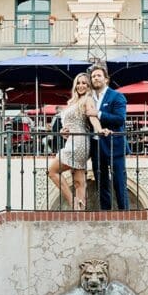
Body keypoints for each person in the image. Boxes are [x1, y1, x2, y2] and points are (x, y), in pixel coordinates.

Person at [47, 73, 106, 210]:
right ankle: (80, 211)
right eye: (78, 83)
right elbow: (70, 123)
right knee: (79, 182)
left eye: (84, 83)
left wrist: (99, 130)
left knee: (52, 171)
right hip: (71, 140)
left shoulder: (88, 100)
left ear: (89, 86)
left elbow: (93, 118)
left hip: (79, 142)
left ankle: (73, 203)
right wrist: (63, 131)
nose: (81, 86)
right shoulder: (72, 102)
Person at [88, 65, 129, 210]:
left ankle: (125, 213)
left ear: (106, 79)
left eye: (98, 75)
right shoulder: (89, 98)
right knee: (101, 182)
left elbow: (120, 119)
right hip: (96, 146)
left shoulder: (117, 96)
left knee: (119, 181)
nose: (95, 78)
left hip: (114, 145)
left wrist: (98, 114)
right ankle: (106, 213)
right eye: (93, 76)